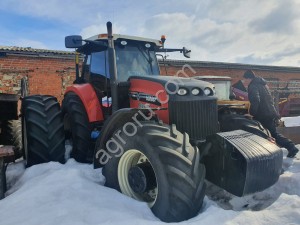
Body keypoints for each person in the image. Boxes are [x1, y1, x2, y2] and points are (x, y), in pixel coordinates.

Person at [243, 70, 299, 158]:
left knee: (267, 133)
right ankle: (290, 147)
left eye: (245, 79)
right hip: (270, 112)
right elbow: (270, 100)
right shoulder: (263, 85)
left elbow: (255, 100)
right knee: (270, 133)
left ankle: (291, 147)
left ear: (249, 78)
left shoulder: (253, 86)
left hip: (263, 114)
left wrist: (251, 113)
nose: (245, 82)